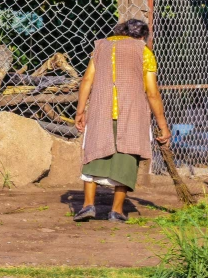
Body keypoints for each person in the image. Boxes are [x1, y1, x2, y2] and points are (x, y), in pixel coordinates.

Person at [73, 19, 171, 222]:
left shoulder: (101, 47)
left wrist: (80, 111)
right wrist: (163, 126)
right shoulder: (144, 52)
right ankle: (116, 211)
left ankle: (87, 206)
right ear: (143, 36)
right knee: (127, 158)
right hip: (132, 114)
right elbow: (152, 93)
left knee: (93, 155)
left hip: (101, 111)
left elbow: (87, 80)